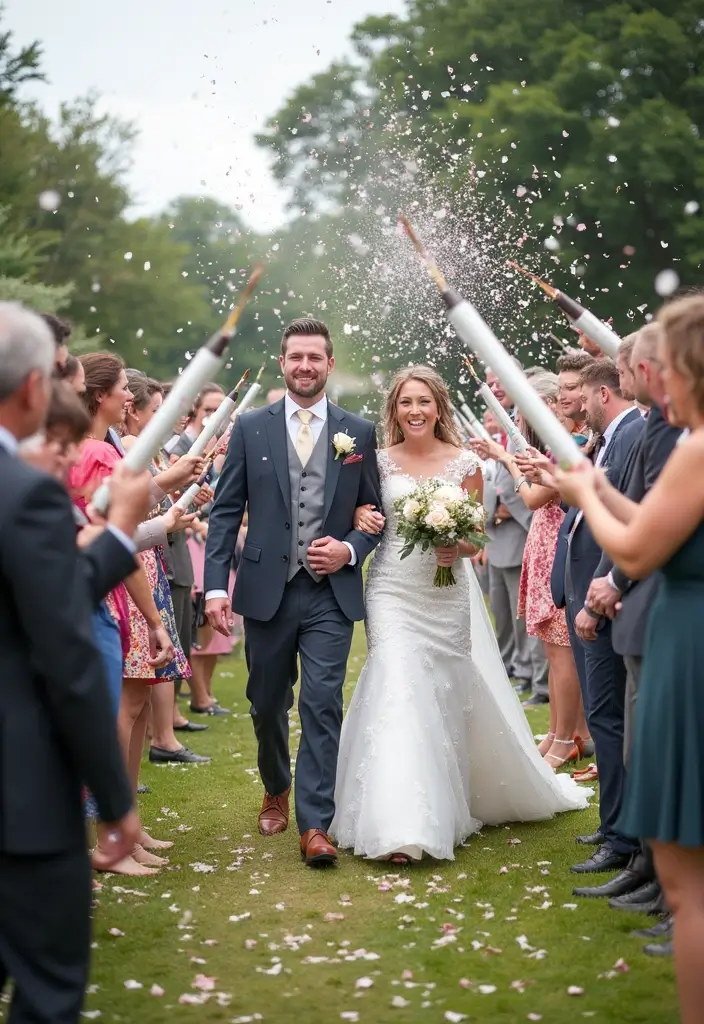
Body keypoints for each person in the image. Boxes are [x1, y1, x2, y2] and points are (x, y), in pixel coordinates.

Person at [331, 366, 591, 864]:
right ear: (394, 410)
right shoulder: (377, 463)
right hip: (392, 588)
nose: (415, 411)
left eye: (424, 402)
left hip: (445, 593)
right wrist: (360, 518)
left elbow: (476, 537)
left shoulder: (467, 463)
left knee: (444, 693)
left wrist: (458, 543)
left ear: (438, 407)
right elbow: (359, 515)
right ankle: (400, 822)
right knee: (397, 680)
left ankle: (443, 803)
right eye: (406, 402)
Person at [554, 294, 704, 1024]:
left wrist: (582, 489)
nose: (653, 378)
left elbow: (640, 546)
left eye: (662, 366)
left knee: (690, 883)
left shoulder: (698, 446)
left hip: (689, 641)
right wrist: (599, 487)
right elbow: (651, 514)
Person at [0, 302, 145, 1023]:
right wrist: (115, 801)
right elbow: (66, 655)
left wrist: (118, 540)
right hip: (18, 797)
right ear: (34, 388)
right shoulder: (22, 494)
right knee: (47, 991)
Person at [204, 317, 383, 867]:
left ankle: (315, 824)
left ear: (329, 364)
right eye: (296, 357)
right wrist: (214, 586)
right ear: (283, 363)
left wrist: (349, 550)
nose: (305, 366)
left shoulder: (359, 432)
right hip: (265, 590)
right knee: (265, 703)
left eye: (315, 357)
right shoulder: (250, 427)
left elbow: (375, 514)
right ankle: (275, 786)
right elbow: (225, 510)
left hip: (330, 594)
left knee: (323, 701)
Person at [549, 358, 644, 872]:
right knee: (605, 714)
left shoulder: (630, 435)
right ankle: (613, 825)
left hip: (604, 591)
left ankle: (623, 837)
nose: (577, 406)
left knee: (609, 718)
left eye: (582, 396)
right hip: (586, 584)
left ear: (603, 394)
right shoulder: (609, 438)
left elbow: (624, 509)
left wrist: (598, 592)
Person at [472, 372, 590, 769]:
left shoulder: (568, 446)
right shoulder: (554, 448)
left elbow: (535, 497)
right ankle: (560, 733)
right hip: (544, 548)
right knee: (552, 649)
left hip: (559, 548)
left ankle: (565, 738)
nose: (525, 422)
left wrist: (506, 458)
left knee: (562, 654)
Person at [122, 370, 211, 766]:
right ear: (133, 410)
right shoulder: (126, 447)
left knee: (147, 677)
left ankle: (130, 779)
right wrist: (173, 493)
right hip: (136, 560)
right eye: (156, 410)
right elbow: (131, 507)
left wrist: (182, 498)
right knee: (137, 679)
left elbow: (153, 502)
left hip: (153, 555)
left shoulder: (141, 447)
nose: (162, 418)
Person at [482, 370, 549, 704]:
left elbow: (522, 479)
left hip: (524, 530)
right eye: (489, 383)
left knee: (529, 618)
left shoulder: (524, 432)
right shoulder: (511, 429)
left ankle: (537, 680)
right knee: (506, 613)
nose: (494, 388)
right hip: (501, 534)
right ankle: (520, 669)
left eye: (498, 382)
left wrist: (508, 503)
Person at [556, 350, 594, 445]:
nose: (561, 397)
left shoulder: (605, 431)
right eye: (559, 389)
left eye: (570, 388)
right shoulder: (561, 433)